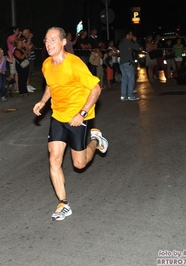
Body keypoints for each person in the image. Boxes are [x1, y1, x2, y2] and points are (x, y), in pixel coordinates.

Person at [33, 27, 108, 221]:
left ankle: (95, 139)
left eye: (53, 40)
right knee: (54, 159)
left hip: (77, 118)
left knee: (79, 164)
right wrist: (42, 101)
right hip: (58, 117)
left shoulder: (75, 64)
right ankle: (63, 204)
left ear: (64, 42)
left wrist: (82, 114)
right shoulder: (47, 65)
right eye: (46, 40)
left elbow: (96, 89)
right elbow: (51, 84)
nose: (49, 44)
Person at [119, 30, 141, 101]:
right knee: (131, 79)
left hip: (122, 63)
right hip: (128, 63)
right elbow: (137, 48)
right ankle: (130, 95)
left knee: (124, 79)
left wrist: (130, 49)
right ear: (127, 35)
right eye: (131, 35)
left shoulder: (121, 42)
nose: (132, 37)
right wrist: (135, 41)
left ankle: (123, 95)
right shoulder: (128, 41)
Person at [7, 26, 21, 93]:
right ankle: (10, 87)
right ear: (14, 30)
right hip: (12, 57)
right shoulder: (10, 38)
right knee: (12, 73)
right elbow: (14, 43)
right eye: (17, 30)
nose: (18, 32)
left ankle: (17, 88)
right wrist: (19, 36)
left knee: (17, 73)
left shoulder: (16, 38)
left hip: (17, 57)